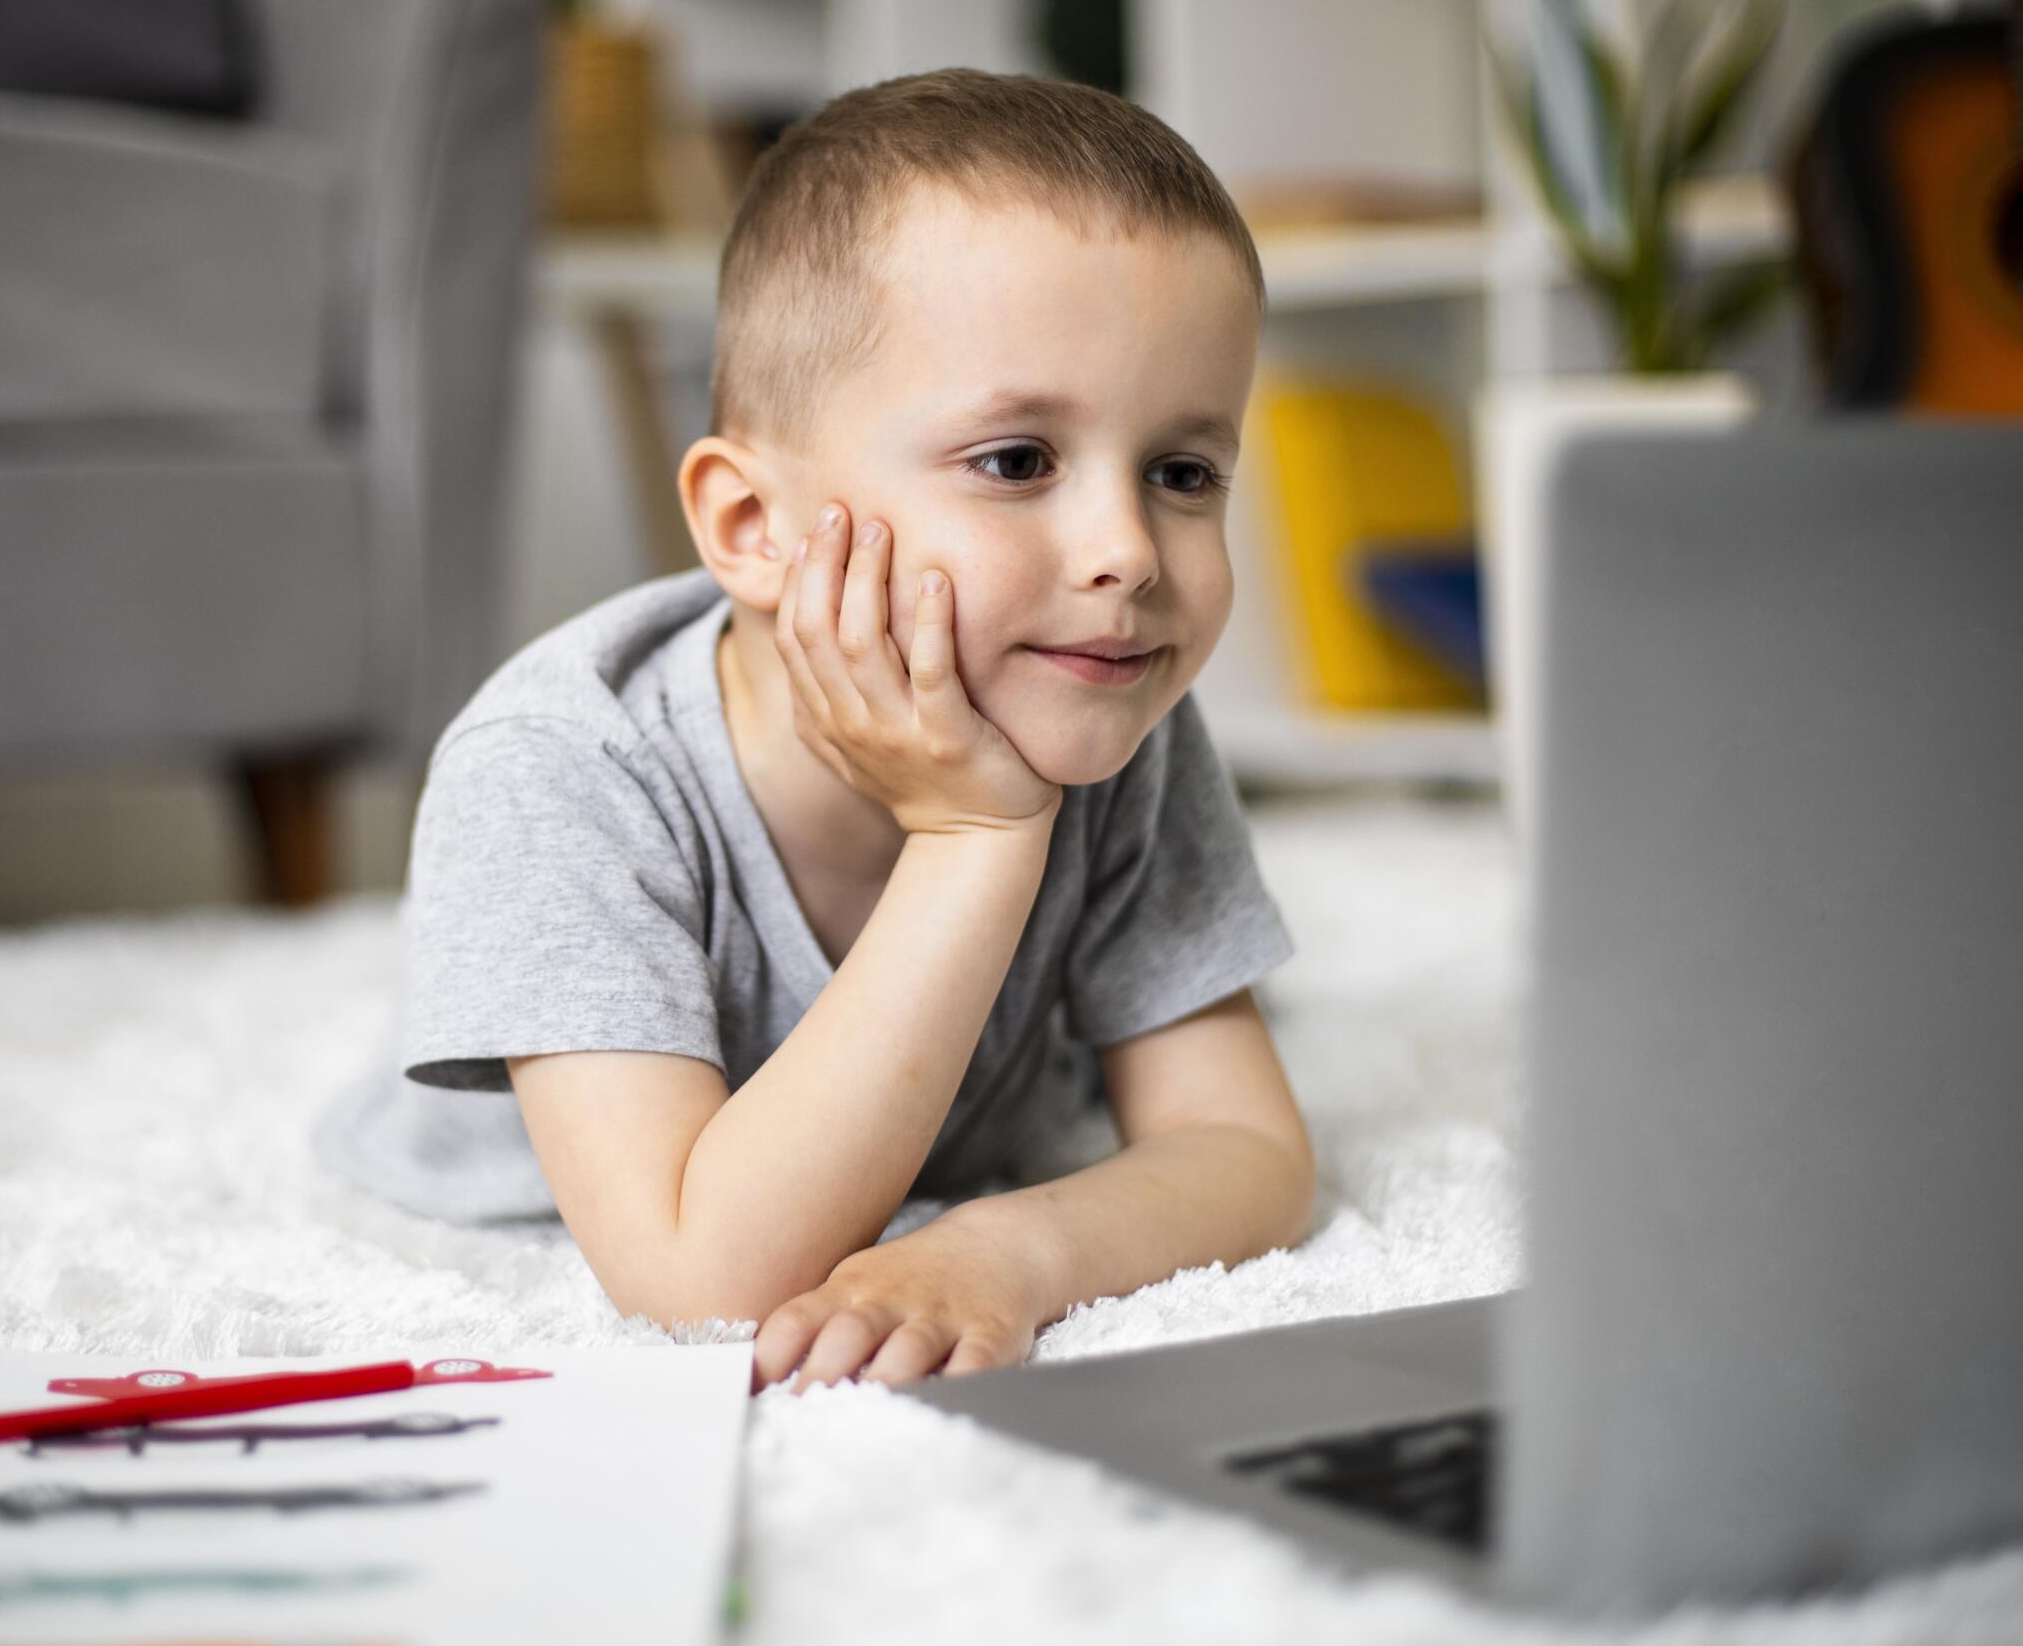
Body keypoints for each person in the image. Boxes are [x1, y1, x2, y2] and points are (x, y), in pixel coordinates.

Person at [313, 68, 1314, 1395]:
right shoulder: (562, 771)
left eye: (1183, 473)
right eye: (1017, 460)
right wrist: (975, 837)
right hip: (527, 1211)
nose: (1128, 554)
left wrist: (1009, 1249)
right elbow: (701, 1281)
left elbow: (1251, 1154)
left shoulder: (1115, 721)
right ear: (752, 530)